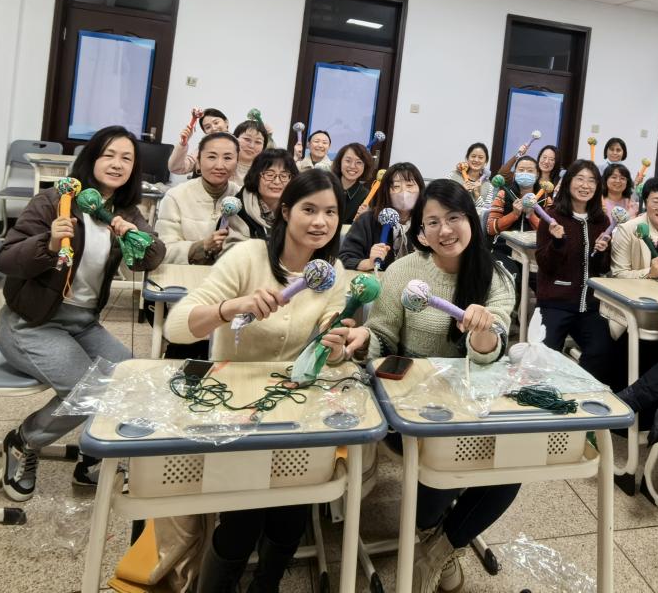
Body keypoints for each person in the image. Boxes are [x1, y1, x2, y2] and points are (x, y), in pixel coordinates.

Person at [165, 169, 355, 593]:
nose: (320, 222)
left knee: (293, 511)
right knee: (243, 518)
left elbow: (332, 342)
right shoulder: (247, 257)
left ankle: (265, 584)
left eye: (330, 212)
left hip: (295, 403)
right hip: (234, 402)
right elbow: (176, 326)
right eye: (309, 209)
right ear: (285, 211)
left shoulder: (332, 271)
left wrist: (338, 343)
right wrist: (232, 307)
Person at [343, 179, 518, 593]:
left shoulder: (496, 277)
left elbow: (491, 354)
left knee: (511, 467)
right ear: (421, 231)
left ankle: (438, 547)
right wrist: (364, 339)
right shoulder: (405, 271)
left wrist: (482, 333)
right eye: (433, 222)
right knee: (444, 459)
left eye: (454, 218)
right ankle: (431, 527)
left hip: (472, 400)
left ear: (470, 219)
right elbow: (382, 337)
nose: (445, 230)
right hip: (409, 405)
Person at [0, 125, 166, 501]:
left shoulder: (124, 211)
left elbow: (154, 256)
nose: (117, 164)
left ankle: (91, 457)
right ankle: (24, 441)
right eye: (109, 155)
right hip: (32, 323)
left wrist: (134, 236)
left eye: (126, 158)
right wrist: (49, 243)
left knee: (132, 378)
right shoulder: (55, 200)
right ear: (91, 159)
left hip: (82, 323)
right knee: (86, 393)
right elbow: (5, 258)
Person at [534, 160, 622, 390]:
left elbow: (602, 268)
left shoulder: (601, 220)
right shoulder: (552, 217)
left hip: (590, 306)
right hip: (555, 302)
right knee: (542, 355)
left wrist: (602, 251)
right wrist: (557, 242)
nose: (586, 185)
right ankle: (548, 397)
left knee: (603, 351)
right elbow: (545, 266)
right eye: (580, 179)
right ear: (568, 182)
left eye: (592, 181)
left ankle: (580, 393)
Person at [156, 132, 240, 265]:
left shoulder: (242, 197)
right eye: (211, 157)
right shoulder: (176, 196)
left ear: (237, 163)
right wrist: (201, 247)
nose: (219, 165)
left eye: (228, 158)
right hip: (185, 275)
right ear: (198, 162)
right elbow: (162, 251)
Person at [339, 161, 424, 273]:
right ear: (386, 191)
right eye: (396, 186)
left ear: (420, 188)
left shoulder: (427, 222)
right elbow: (345, 259)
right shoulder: (367, 220)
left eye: (410, 185)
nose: (404, 192)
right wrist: (369, 262)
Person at [225, 149, 297, 249]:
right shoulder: (237, 208)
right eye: (269, 174)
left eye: (284, 175)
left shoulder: (297, 207)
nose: (277, 181)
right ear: (256, 176)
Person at [168, 107, 228, 177]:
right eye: (208, 127)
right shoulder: (202, 149)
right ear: (205, 132)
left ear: (226, 122)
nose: (213, 128)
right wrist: (183, 143)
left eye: (216, 123)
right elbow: (175, 168)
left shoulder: (237, 145)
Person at [332, 142, 375, 225]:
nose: (352, 166)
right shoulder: (326, 187)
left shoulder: (366, 197)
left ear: (365, 166)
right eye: (348, 161)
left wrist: (365, 218)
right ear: (340, 162)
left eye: (359, 162)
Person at [450, 142, 492, 210]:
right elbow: (445, 201)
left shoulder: (488, 185)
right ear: (467, 158)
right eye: (473, 156)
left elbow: (486, 212)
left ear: (486, 162)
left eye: (480, 157)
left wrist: (477, 195)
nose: (476, 160)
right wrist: (461, 191)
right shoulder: (454, 176)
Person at [231, 118, 269, 185]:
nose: (251, 146)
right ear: (235, 139)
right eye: (247, 139)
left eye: (258, 142)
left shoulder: (266, 173)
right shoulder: (223, 166)